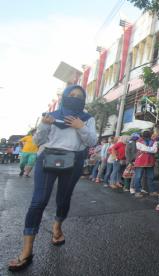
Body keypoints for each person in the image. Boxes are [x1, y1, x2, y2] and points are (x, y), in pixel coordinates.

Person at [8, 85, 97, 272]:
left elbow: (91, 142)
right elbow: (39, 141)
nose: (75, 98)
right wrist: (44, 125)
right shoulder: (52, 115)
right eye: (71, 95)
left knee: (63, 199)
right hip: (47, 158)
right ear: (65, 96)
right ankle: (27, 251)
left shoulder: (87, 119)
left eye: (79, 96)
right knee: (38, 201)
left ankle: (57, 227)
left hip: (74, 160)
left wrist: (81, 127)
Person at [133, 130, 158, 198]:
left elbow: (154, 150)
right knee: (138, 177)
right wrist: (150, 149)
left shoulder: (152, 141)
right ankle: (138, 191)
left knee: (150, 177)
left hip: (149, 161)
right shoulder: (139, 141)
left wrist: (145, 150)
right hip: (142, 161)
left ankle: (151, 191)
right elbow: (152, 150)